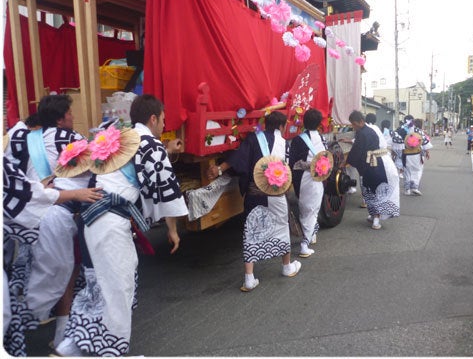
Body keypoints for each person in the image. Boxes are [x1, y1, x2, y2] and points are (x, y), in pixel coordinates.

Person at [55, 94, 188, 357]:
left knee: (98, 285)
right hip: (110, 221)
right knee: (118, 287)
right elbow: (166, 191)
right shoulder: (150, 144)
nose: (164, 124)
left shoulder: (120, 137)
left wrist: (167, 149)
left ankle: (72, 345)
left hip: (91, 218)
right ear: (153, 118)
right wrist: (172, 230)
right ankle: (111, 351)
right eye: (163, 119)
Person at [3, 154, 102, 357]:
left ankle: (60, 336)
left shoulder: (65, 178)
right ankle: (25, 318)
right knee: (55, 277)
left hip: (53, 221)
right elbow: (28, 194)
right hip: (53, 221)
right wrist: (73, 195)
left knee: (64, 274)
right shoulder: (81, 183)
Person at [207, 111, 302, 292]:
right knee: (282, 227)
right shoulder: (285, 144)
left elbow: (238, 159)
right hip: (276, 196)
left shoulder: (253, 138)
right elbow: (287, 171)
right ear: (281, 127)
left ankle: (249, 278)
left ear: (265, 124)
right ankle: (286, 266)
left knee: (251, 230)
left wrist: (219, 169)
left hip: (254, 193)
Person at [343, 111, 399, 230]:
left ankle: (376, 219)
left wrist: (348, 161)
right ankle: (373, 215)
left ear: (361, 122)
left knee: (374, 191)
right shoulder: (366, 131)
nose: (353, 126)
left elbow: (358, 150)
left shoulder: (364, 133)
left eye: (354, 124)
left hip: (374, 164)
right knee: (369, 191)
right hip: (372, 163)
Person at [288, 108, 329, 257]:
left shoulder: (298, 139)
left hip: (303, 177)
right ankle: (305, 243)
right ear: (319, 123)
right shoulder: (322, 138)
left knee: (306, 208)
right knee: (313, 208)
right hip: (318, 177)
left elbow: (292, 161)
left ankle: (309, 235)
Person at [391, 115, 433, 196]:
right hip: (417, 154)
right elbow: (424, 141)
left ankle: (407, 190)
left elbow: (395, 143)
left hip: (405, 154)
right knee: (417, 170)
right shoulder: (417, 130)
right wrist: (427, 152)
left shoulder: (400, 130)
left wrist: (395, 154)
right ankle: (414, 187)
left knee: (407, 172)